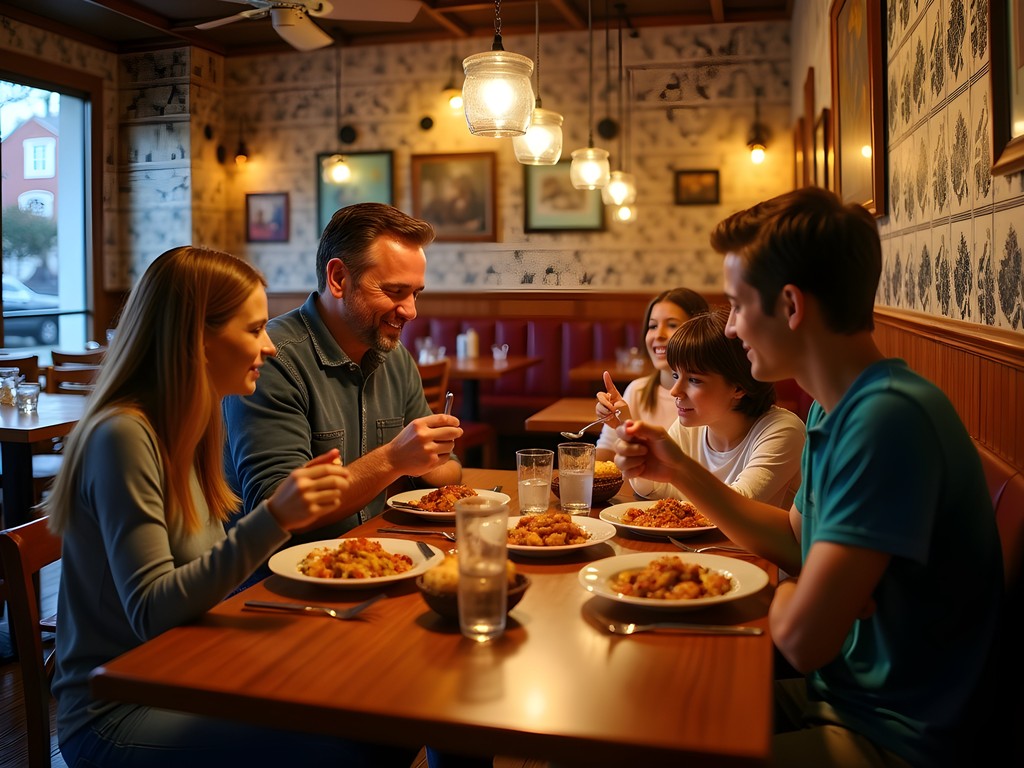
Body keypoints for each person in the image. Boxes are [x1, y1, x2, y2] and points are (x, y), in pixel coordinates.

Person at [612, 187, 1003, 767]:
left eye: (738, 305)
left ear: (791, 306)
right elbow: (794, 541)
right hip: (839, 696)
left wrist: (799, 588)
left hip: (895, 736)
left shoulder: (888, 418)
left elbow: (801, 639)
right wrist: (680, 470)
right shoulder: (831, 407)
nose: (729, 329)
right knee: (634, 712)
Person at [45, 246, 416, 767]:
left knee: (389, 704)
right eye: (253, 329)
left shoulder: (190, 428)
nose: (268, 346)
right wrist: (275, 517)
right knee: (359, 741)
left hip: (191, 671)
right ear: (195, 337)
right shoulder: (122, 435)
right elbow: (152, 613)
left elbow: (204, 574)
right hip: (120, 708)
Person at [223, 202, 463, 549]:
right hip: (274, 581)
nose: (411, 310)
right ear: (338, 279)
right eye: (395, 291)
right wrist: (395, 459)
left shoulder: (394, 357)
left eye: (415, 293)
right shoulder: (272, 358)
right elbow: (274, 507)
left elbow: (448, 470)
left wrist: (428, 457)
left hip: (376, 553)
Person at [627, 307, 804, 508]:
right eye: (676, 375)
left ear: (739, 386)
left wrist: (678, 470)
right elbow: (660, 490)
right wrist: (641, 466)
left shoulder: (783, 431)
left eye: (694, 380)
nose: (675, 391)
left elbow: (739, 505)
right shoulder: (690, 427)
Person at [594, 287, 709, 461]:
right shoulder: (637, 391)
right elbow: (606, 452)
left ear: (699, 333)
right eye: (653, 326)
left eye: (672, 325)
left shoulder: (709, 398)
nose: (658, 335)